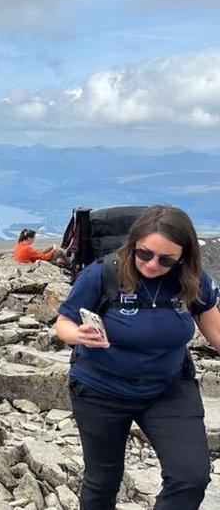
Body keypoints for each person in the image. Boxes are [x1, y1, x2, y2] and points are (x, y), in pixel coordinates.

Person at [54, 205, 220, 508]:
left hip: (168, 388)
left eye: (166, 259)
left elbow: (216, 331)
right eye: (144, 254)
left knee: (191, 476)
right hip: (101, 389)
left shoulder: (192, 280)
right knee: (103, 480)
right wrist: (79, 335)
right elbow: (63, 323)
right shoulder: (102, 274)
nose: (153, 264)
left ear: (184, 256)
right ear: (133, 244)